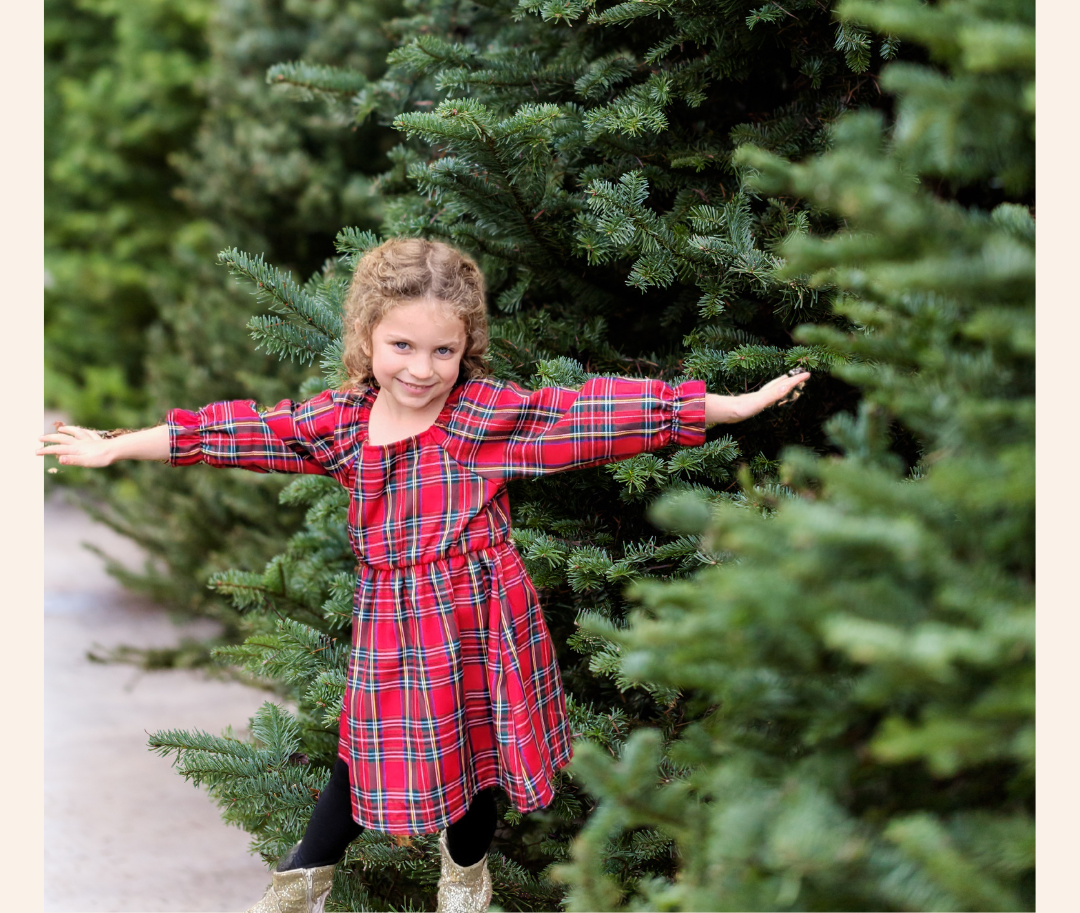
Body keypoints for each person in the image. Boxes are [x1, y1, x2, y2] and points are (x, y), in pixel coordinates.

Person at [39, 238, 809, 913]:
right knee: (362, 742)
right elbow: (239, 431)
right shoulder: (340, 423)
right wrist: (116, 444)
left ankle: (465, 879)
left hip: (480, 607)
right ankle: (301, 883)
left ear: (467, 346)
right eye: (402, 346)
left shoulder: (480, 419)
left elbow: (591, 415)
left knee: (481, 748)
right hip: (392, 613)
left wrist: (730, 407)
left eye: (443, 351)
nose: (421, 369)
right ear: (367, 336)